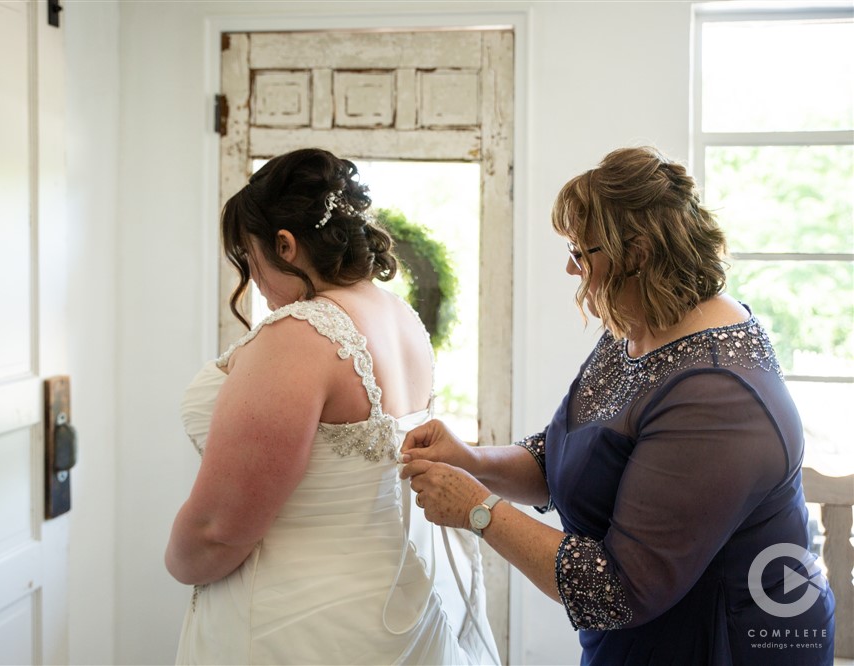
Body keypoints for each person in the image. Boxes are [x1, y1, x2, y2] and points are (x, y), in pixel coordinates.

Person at [400, 146, 836, 665]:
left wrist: (479, 510)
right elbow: (564, 455)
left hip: (715, 643)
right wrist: (471, 461)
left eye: (582, 252)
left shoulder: (717, 396)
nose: (570, 267)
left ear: (640, 252)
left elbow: (615, 590)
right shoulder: (639, 323)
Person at [165, 148, 499, 665]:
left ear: (285, 245)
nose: (256, 285)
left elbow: (216, 532)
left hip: (297, 624)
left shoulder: (299, 336)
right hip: (396, 605)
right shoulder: (401, 318)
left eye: (253, 262)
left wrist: (178, 558)